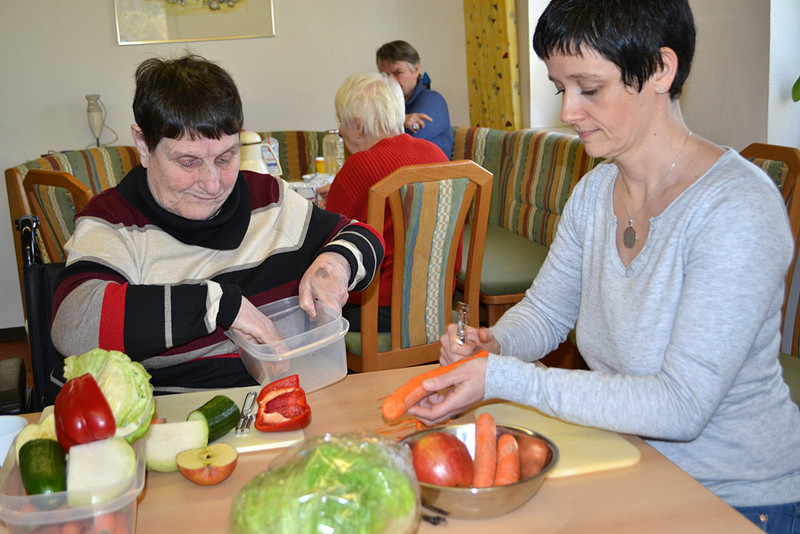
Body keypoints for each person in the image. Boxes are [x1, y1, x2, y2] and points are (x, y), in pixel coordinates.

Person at [405, 1, 800, 531]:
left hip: (736, 498)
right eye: (560, 88)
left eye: (589, 88)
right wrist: (494, 343)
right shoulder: (595, 193)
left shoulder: (737, 208)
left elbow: (681, 405)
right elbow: (546, 311)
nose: (569, 111)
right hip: (632, 463)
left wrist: (505, 378)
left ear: (661, 69)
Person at [50, 54, 384, 392]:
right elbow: (72, 323)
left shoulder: (268, 198)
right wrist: (218, 305)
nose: (213, 184)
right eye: (188, 161)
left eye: (225, 157)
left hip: (287, 401)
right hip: (173, 419)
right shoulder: (113, 221)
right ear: (144, 145)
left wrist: (336, 264)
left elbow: (362, 236)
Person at [321, 72, 450, 332]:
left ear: (357, 125)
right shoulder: (435, 155)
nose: (341, 132)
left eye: (341, 123)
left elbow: (329, 248)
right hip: (435, 305)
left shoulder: (359, 167)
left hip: (378, 313)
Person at [376, 40, 454, 158]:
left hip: (433, 174)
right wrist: (400, 121)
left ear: (416, 69)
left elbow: (405, 145)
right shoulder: (386, 104)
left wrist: (389, 123)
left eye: (398, 72)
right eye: (385, 75)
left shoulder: (433, 100)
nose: (390, 80)